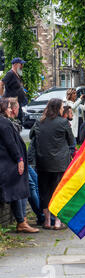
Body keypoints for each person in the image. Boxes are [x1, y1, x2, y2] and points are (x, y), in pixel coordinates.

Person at [30, 98, 74, 230]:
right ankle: (58, 222)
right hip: (60, 163)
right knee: (58, 191)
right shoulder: (63, 122)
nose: (62, 109)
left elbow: (32, 135)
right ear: (57, 108)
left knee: (44, 192)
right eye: (61, 107)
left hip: (43, 162)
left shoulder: (39, 122)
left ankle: (47, 221)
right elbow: (71, 140)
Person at [0, 98, 39, 233]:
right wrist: (19, 159)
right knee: (19, 187)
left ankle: (23, 220)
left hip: (7, 162)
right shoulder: (4, 123)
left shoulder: (5, 122)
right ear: (3, 108)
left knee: (22, 187)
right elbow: (11, 144)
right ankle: (22, 221)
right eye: (9, 107)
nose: (11, 110)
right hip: (8, 163)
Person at [0, 58, 28, 124]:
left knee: (19, 121)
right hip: (12, 103)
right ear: (15, 65)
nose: (22, 66)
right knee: (15, 121)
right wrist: (2, 97)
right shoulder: (10, 73)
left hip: (18, 102)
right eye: (21, 64)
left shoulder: (17, 74)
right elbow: (1, 83)